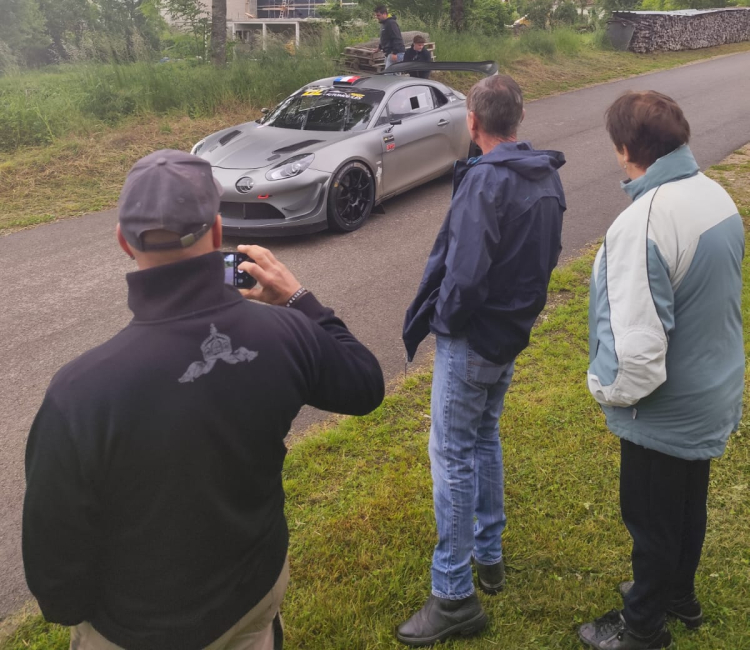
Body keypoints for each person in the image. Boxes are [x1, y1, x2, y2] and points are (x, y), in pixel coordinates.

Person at [22, 149, 384, 650]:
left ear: (124, 242)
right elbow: (365, 385)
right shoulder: (286, 334)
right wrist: (301, 301)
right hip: (254, 598)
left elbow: (55, 576)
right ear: (217, 233)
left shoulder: (79, 393)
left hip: (136, 629)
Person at [397, 74, 566, 647]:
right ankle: (488, 556)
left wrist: (444, 322)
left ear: (474, 122)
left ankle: (453, 594)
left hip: (473, 339)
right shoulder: (544, 174)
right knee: (485, 437)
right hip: (509, 334)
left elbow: (464, 276)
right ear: (518, 119)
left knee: (452, 455)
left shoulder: (485, 183)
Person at [579, 91, 745, 650]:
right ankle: (679, 596)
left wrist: (605, 390)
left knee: (650, 517)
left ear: (626, 149)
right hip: (711, 389)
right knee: (685, 503)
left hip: (665, 407)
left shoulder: (643, 221)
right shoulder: (715, 195)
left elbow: (639, 354)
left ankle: (644, 627)